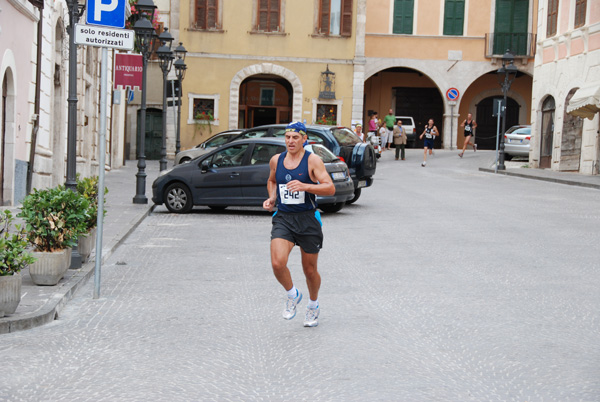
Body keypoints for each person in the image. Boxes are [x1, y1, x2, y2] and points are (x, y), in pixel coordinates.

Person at [263, 121, 335, 328]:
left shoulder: (313, 161)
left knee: (309, 270)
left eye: (295, 137)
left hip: (308, 219)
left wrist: (305, 186)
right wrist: (272, 198)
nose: (291, 141)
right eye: (287, 137)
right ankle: (292, 294)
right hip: (284, 218)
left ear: (304, 139)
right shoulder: (276, 160)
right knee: (277, 263)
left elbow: (330, 188)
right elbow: (272, 181)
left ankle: (313, 304)